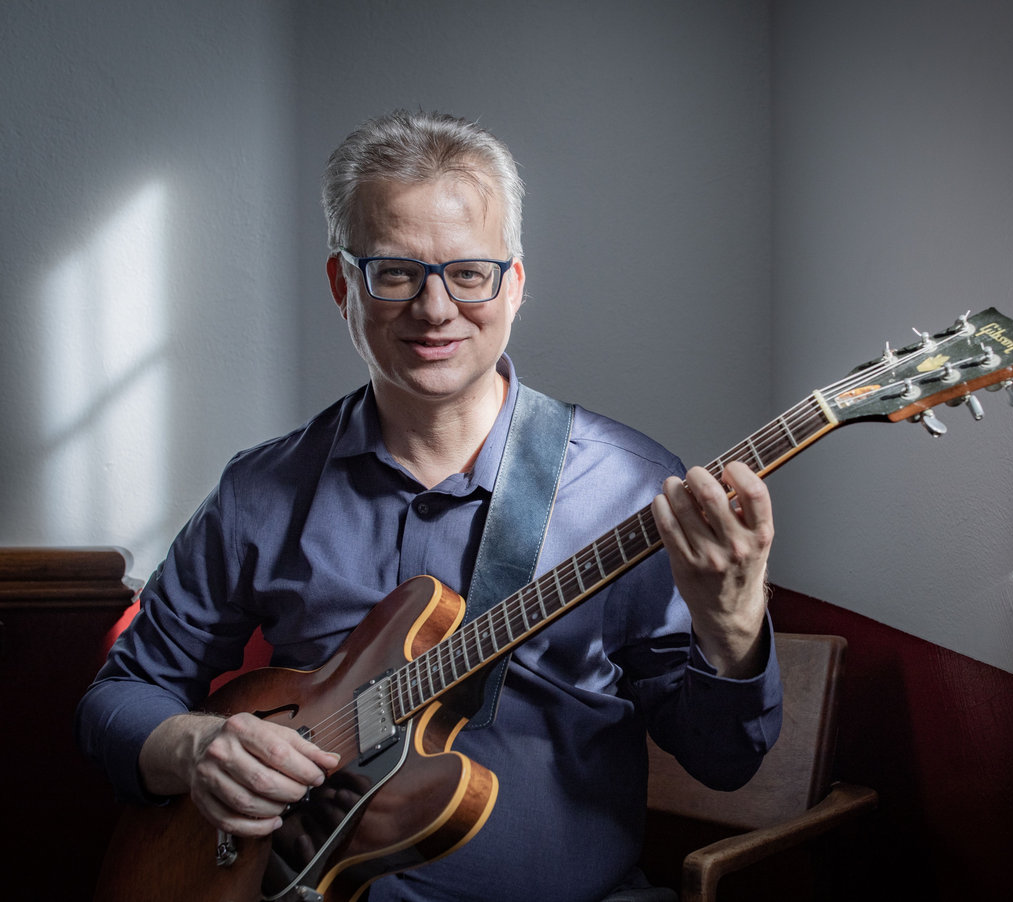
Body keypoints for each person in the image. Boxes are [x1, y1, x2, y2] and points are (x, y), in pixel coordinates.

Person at [76, 110, 782, 902]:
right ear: (343, 284)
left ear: (514, 284)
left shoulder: (628, 490)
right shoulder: (261, 492)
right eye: (395, 272)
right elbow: (118, 700)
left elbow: (727, 763)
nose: (435, 309)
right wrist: (198, 748)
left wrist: (731, 630)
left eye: (469, 273)